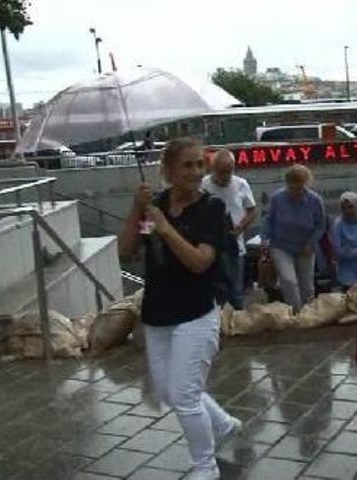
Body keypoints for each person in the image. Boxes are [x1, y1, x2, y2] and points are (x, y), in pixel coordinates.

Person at [118, 138, 240, 480]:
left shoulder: (211, 210)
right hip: (158, 313)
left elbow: (200, 262)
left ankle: (206, 466)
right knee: (170, 391)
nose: (196, 172)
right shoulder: (154, 206)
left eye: (200, 164)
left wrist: (166, 228)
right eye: (187, 165)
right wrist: (136, 209)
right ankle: (223, 423)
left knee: (185, 396)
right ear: (169, 170)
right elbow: (127, 251)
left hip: (197, 312)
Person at [262, 164, 326, 309]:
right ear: (287, 184)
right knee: (289, 280)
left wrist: (311, 242)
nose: (296, 192)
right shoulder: (277, 199)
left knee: (307, 286)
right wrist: (265, 239)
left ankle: (309, 313)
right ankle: (295, 312)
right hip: (281, 245)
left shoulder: (315, 201)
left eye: (300, 188)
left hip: (305, 246)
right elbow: (269, 220)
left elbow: (320, 225)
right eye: (293, 188)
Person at [201, 149, 257, 310]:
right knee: (216, 287)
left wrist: (242, 226)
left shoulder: (241, 184)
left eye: (229, 171)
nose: (225, 176)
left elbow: (252, 209)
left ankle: (237, 317)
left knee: (236, 288)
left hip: (234, 242)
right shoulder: (203, 185)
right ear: (212, 169)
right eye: (221, 172)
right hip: (211, 243)